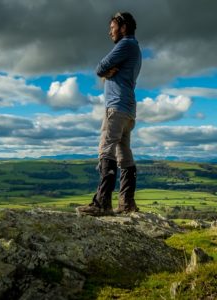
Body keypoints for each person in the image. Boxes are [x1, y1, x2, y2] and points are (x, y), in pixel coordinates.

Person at [77, 12, 142, 216]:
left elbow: (100, 67)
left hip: (116, 107)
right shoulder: (135, 47)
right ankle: (126, 203)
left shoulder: (125, 45)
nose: (109, 31)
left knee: (106, 149)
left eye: (112, 26)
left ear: (123, 27)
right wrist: (108, 73)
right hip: (128, 109)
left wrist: (105, 72)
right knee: (124, 154)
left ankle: (102, 203)